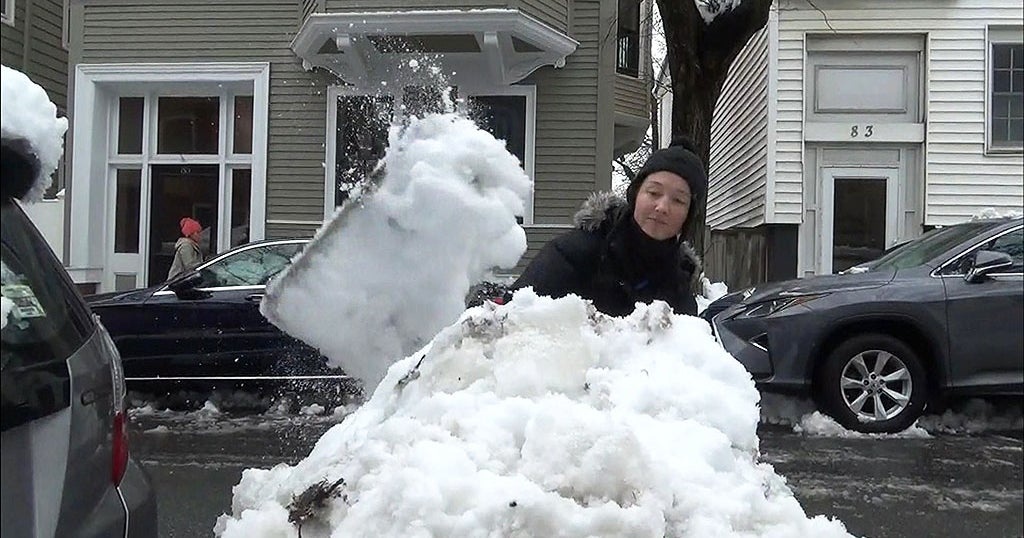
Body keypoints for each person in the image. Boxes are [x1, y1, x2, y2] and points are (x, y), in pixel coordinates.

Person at [511, 138, 708, 317]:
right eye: (654, 192)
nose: (662, 207)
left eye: (678, 200)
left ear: (688, 216)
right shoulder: (575, 254)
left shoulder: (680, 287)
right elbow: (510, 318)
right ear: (635, 195)